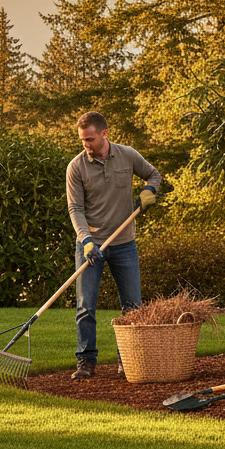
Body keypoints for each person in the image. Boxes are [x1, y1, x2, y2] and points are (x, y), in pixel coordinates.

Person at [65, 111, 161, 380]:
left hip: (124, 244)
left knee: (132, 306)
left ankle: (127, 359)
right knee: (86, 306)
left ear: (105, 134)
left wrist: (148, 191)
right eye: (83, 140)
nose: (86, 144)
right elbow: (75, 209)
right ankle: (85, 362)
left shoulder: (127, 155)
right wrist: (85, 241)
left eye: (91, 139)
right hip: (90, 246)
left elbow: (153, 174)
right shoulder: (76, 167)